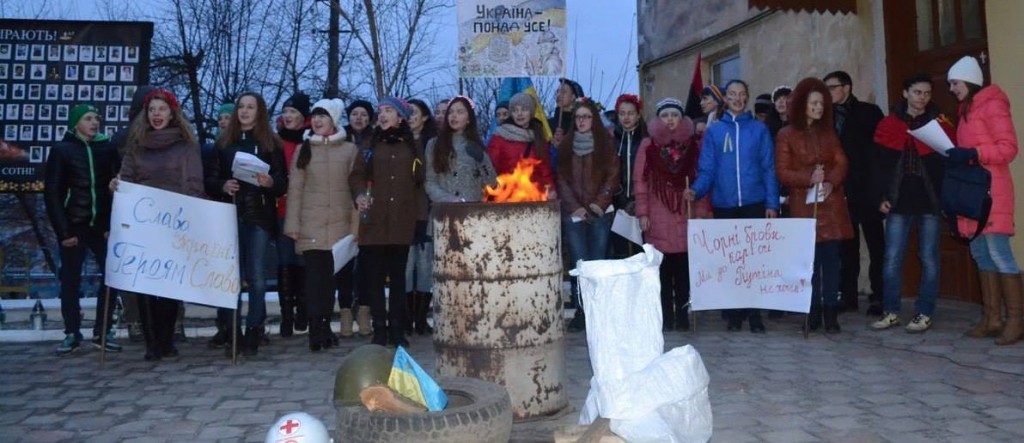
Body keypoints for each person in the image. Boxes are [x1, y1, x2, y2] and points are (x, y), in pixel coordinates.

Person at [117, 88, 205, 360]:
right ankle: (152, 342)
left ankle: (166, 339)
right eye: (152, 110)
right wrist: (117, 186)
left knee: (169, 285)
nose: (156, 114)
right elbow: (128, 178)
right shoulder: (136, 144)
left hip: (174, 223)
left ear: (172, 113)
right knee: (145, 284)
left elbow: (193, 183)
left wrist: (193, 218)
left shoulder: (186, 145)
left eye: (162, 109)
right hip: (143, 224)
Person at [685, 79, 779, 333]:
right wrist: (696, 189)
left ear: (747, 98)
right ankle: (735, 314)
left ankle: (756, 314)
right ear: (725, 99)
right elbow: (707, 169)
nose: (738, 99)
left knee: (754, 262)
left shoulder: (759, 130)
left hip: (754, 202)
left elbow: (768, 168)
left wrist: (772, 202)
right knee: (731, 262)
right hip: (725, 204)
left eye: (742, 94)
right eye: (733, 94)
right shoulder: (715, 131)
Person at [946, 55, 1022, 345]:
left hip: (993, 192)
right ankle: (992, 318)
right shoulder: (966, 109)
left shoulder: (992, 105)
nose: (952, 88)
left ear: (970, 81)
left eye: (955, 83)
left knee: (1000, 253)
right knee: (981, 253)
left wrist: (974, 154)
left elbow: (1008, 148)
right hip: (974, 193)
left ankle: (1016, 321)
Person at [870, 74, 953, 334]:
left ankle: (924, 312)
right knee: (892, 258)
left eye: (927, 93)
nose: (923, 98)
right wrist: (881, 197)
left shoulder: (940, 123)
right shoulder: (888, 124)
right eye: (917, 92)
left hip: (929, 201)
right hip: (898, 202)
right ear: (905, 93)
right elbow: (878, 168)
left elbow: (949, 164)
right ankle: (891, 311)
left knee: (929, 258)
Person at [207, 93, 287, 357]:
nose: (244, 111)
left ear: (259, 112)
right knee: (230, 279)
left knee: (257, 278)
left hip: (259, 216)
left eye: (250, 107)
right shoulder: (223, 143)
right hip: (229, 216)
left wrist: (270, 183)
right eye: (241, 107)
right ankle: (232, 331)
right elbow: (210, 179)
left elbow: (282, 181)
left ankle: (254, 329)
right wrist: (223, 185)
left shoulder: (270, 143)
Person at [775, 78, 853, 333]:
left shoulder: (829, 132)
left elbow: (841, 161)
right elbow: (783, 172)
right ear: (801, 105)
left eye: (822, 103)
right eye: (814, 103)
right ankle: (812, 311)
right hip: (803, 207)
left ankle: (831, 313)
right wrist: (808, 178)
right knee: (808, 264)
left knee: (831, 261)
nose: (819, 107)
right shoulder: (785, 135)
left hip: (830, 205)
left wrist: (831, 181)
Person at [44, 104, 121, 355]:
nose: (94, 122)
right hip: (74, 225)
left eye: (97, 118)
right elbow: (53, 193)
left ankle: (103, 331)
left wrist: (111, 224)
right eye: (88, 118)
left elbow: (117, 187)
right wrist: (64, 232)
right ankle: (72, 333)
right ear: (76, 123)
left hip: (101, 227)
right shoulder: (62, 151)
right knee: (70, 281)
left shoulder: (108, 148)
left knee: (111, 279)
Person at [284, 98, 360, 352]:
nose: (316, 121)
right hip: (311, 225)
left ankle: (326, 326)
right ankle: (316, 330)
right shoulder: (303, 149)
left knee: (330, 282)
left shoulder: (349, 150)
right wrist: (292, 223)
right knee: (315, 280)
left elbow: (356, 190)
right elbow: (295, 190)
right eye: (314, 116)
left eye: (323, 116)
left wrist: (356, 226)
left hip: (339, 227)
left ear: (334, 120)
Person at [352, 97, 425, 348]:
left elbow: (420, 182)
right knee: (374, 278)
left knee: (398, 279)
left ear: (401, 117)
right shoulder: (369, 143)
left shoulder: (412, 146)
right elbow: (357, 175)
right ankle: (379, 327)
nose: (382, 115)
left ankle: (396, 328)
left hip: (401, 221)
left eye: (389, 111)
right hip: (374, 222)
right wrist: (360, 194)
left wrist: (419, 218)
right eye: (381, 111)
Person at [634, 98, 709, 332]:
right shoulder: (649, 146)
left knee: (684, 272)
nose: (670, 120)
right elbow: (640, 182)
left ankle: (683, 314)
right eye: (665, 115)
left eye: (674, 115)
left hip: (685, 214)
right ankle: (666, 316)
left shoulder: (693, 146)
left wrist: (701, 212)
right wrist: (643, 212)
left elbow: (702, 180)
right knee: (663, 274)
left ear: (681, 118)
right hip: (658, 216)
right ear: (658, 119)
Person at [823, 70, 885, 315]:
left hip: (868, 189)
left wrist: (881, 190)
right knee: (846, 247)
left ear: (846, 88)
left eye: (832, 87)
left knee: (876, 245)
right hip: (840, 191)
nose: (828, 93)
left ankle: (879, 295)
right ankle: (847, 296)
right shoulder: (825, 117)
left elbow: (880, 154)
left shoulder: (869, 112)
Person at [557, 97, 620, 333]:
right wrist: (576, 207)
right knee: (579, 264)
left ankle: (598, 311)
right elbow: (561, 179)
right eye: (578, 117)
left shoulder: (605, 145)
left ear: (594, 119)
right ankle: (582, 312)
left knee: (598, 263)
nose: (582, 121)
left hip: (598, 213)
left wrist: (598, 204)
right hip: (573, 214)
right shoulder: (566, 146)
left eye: (586, 117)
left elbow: (613, 176)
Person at [275, 92, 311, 338]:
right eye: (285, 112)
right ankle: (286, 314)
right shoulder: (274, 141)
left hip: (307, 209)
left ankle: (303, 310)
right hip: (280, 209)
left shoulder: (311, 140)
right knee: (284, 260)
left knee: (304, 261)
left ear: (303, 117)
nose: (288, 116)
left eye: (293, 112)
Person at [404, 98, 438, 336]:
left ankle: (420, 318)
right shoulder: (399, 141)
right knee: (406, 268)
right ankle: (406, 317)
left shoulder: (434, 144)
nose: (410, 116)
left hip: (427, 211)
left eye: (414, 112)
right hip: (404, 212)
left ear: (425, 117)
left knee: (425, 268)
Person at [425, 95, 498, 203]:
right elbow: (430, 182)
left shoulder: (476, 146)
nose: (454, 116)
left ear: (469, 119)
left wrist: (482, 161)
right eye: (450, 112)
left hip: (472, 211)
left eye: (460, 112)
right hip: (445, 211)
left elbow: (493, 185)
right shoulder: (434, 144)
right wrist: (449, 199)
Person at [343, 99, 376, 337]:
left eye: (363, 114)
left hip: (367, 205)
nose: (358, 118)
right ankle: (345, 310)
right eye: (354, 114)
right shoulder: (340, 138)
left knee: (366, 262)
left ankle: (365, 309)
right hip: (342, 206)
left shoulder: (375, 140)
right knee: (343, 262)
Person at [486, 92, 554, 191]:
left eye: (524, 109)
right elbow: (490, 167)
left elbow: (545, 169)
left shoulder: (538, 136)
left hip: (534, 197)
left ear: (531, 112)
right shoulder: (500, 136)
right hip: (506, 196)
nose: (519, 114)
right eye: (515, 110)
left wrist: (551, 189)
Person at [611, 94, 648, 258]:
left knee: (642, 249)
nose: (626, 117)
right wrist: (617, 195)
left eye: (630, 113)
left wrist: (637, 199)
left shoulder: (646, 139)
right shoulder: (612, 140)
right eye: (622, 113)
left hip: (641, 202)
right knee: (620, 251)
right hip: (617, 202)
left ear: (638, 115)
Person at [548, 78, 585, 147]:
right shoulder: (547, 124)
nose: (558, 95)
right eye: (557, 91)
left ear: (573, 97)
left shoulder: (580, 125)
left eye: (563, 92)